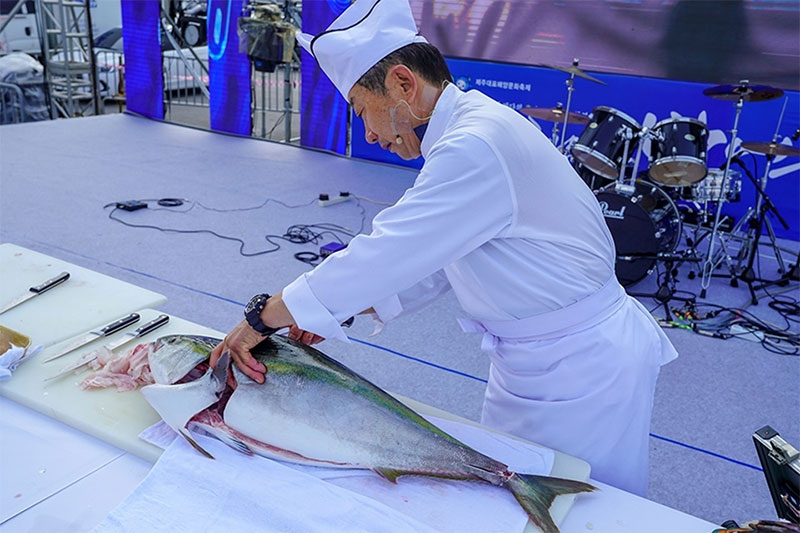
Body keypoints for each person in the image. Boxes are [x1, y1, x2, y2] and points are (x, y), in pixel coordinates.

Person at [210, 0, 677, 497]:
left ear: (404, 84)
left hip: (582, 370)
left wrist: (265, 316)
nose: (368, 134)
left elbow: (390, 250)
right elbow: (438, 261)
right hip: (533, 361)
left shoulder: (476, 143)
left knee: (585, 506)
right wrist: (331, 311)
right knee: (513, 492)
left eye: (364, 112)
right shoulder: (467, 133)